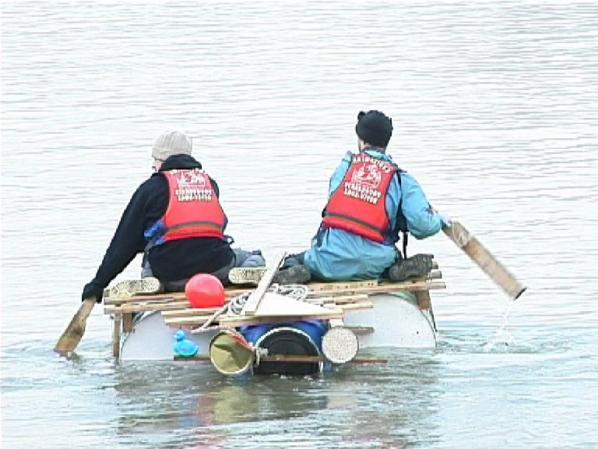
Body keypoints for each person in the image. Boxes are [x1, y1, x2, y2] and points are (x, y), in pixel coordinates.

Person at [82, 131, 265, 302]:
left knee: (152, 257)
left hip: (169, 275)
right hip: (217, 269)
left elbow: (123, 244)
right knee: (255, 257)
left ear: (162, 161)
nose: (153, 166)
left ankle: (155, 283)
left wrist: (98, 284)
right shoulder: (210, 184)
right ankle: (240, 276)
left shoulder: (150, 189)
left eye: (154, 160)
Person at [281, 110, 447, 283]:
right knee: (387, 258)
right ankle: (394, 269)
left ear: (360, 140)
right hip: (375, 264)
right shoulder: (401, 179)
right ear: (386, 142)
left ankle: (300, 270)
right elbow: (423, 226)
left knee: (293, 261)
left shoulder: (345, 167)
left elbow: (333, 200)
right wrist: (439, 219)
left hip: (328, 261)